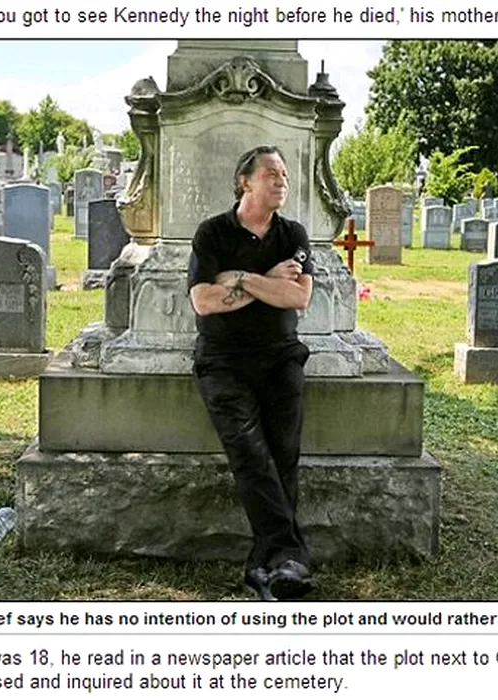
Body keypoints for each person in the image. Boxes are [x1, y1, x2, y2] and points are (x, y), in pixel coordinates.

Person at [187, 145, 315, 601]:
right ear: (245, 182)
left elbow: (299, 297)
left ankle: (269, 566)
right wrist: (268, 280)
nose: (282, 181)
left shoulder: (293, 234)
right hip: (223, 362)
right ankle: (290, 558)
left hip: (281, 358)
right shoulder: (213, 233)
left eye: (285, 175)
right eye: (271, 174)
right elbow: (203, 300)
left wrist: (239, 278)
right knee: (249, 453)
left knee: (283, 456)